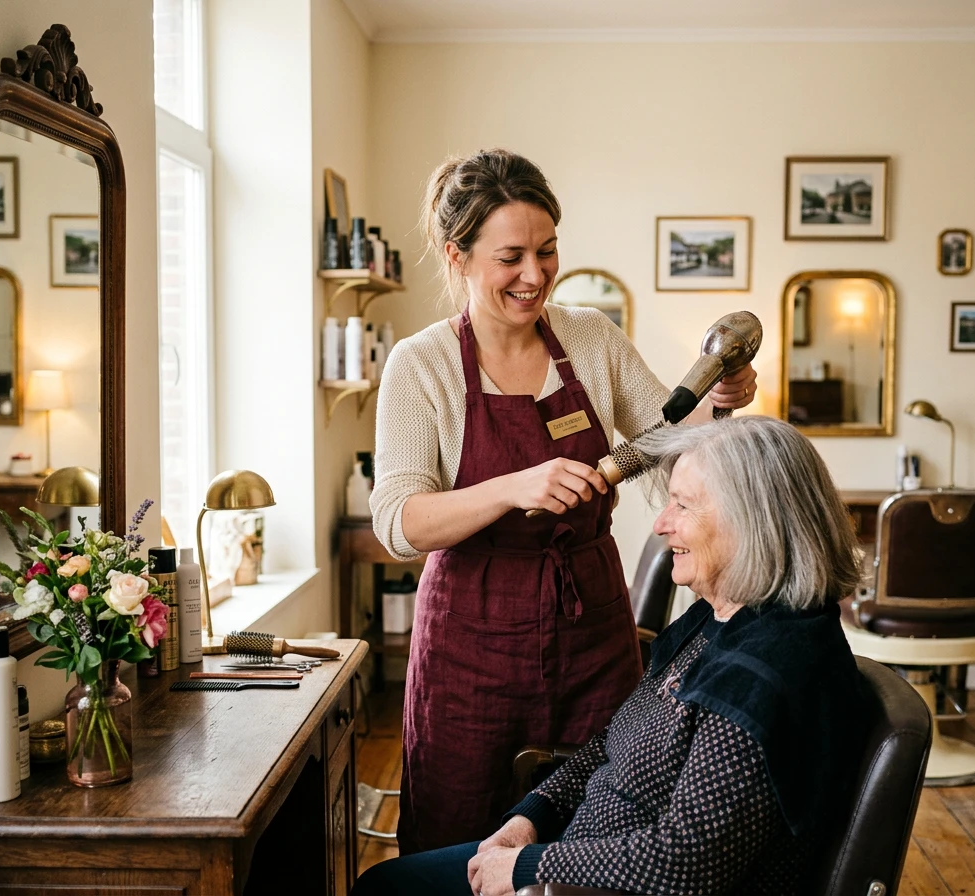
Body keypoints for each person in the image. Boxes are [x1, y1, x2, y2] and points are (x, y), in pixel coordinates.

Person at [370, 148, 757, 853]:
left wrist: (721, 403)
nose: (534, 275)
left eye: (547, 252)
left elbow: (672, 441)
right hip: (471, 642)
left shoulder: (589, 338)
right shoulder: (420, 364)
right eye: (510, 256)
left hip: (593, 628)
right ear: (457, 256)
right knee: (461, 829)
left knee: (602, 821)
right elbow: (400, 523)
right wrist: (513, 486)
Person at [354, 416, 872, 896]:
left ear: (754, 521)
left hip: (589, 885)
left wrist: (528, 867)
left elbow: (685, 861)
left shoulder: (763, 677)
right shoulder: (714, 624)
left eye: (683, 506)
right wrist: (531, 816)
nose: (661, 524)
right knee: (387, 885)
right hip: (570, 857)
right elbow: (612, 744)